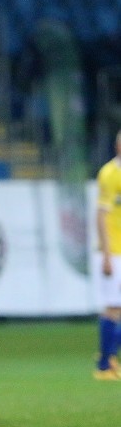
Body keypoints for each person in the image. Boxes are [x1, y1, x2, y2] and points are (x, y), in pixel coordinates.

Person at [93, 129, 121, 381]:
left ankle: (109, 358)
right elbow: (101, 215)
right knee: (113, 307)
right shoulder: (110, 174)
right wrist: (106, 254)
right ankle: (104, 364)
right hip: (113, 251)